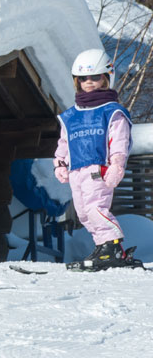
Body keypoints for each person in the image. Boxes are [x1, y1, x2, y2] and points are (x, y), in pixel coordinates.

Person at [54, 48, 139, 271]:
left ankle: (113, 247)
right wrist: (60, 163)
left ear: (106, 78)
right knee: (83, 212)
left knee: (96, 208)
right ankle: (103, 247)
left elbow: (119, 141)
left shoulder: (111, 111)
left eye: (95, 77)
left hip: (98, 168)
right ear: (76, 81)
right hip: (76, 171)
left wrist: (117, 164)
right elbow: (64, 143)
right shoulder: (70, 115)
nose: (89, 82)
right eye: (83, 78)